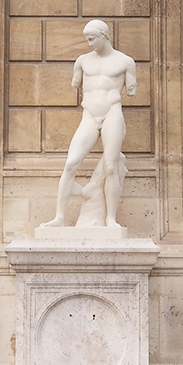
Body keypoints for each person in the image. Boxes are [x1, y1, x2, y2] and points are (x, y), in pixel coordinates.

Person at [40, 20, 136, 229]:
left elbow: (131, 89)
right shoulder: (82, 61)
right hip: (89, 115)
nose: (89, 43)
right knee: (70, 163)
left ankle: (110, 218)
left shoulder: (125, 62)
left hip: (112, 113)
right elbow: (76, 84)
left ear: (104, 35)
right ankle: (60, 217)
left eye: (92, 39)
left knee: (111, 167)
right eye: (87, 39)